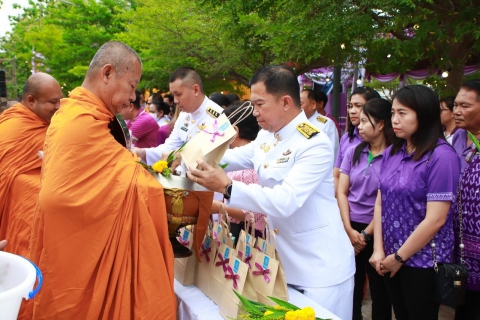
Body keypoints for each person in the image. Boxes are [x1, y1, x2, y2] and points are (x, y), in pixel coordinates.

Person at [187, 65, 355, 320]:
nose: (254, 113)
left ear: (285, 102)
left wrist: (228, 187)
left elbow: (285, 201)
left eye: (259, 104)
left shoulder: (315, 143)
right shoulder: (267, 138)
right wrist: (191, 157)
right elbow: (229, 157)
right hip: (283, 264)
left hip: (319, 269)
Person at [28, 41, 176, 319]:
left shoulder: (80, 114)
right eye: (132, 86)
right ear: (107, 73)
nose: (133, 97)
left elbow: (111, 169)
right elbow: (62, 197)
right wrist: (160, 187)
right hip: (76, 246)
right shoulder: (80, 119)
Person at [369, 85, 461, 320]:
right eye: (393, 113)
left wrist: (399, 257)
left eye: (403, 113)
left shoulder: (442, 156)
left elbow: (436, 219)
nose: (395, 120)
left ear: (424, 113)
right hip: (389, 257)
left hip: (422, 263)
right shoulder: (393, 151)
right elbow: (381, 202)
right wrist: (379, 249)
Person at [337, 98, 393, 320]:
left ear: (380, 124)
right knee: (351, 287)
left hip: (377, 230)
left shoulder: (394, 156)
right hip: (349, 226)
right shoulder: (353, 151)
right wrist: (349, 229)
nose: (358, 126)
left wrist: (364, 235)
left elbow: (385, 200)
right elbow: (342, 192)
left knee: (380, 292)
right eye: (357, 122)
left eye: (364, 122)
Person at [0, 72, 62, 259]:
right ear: (31, 101)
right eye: (53, 102)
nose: (59, 107)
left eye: (60, 101)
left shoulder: (44, 126)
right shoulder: (14, 126)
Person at [134, 67, 224, 166]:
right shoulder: (184, 115)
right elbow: (170, 146)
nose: (176, 101)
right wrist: (143, 153)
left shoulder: (218, 116)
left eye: (178, 94)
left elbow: (214, 158)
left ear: (195, 90)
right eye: (173, 96)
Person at [210, 101, 266, 243]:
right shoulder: (241, 159)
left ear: (234, 131)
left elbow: (254, 215)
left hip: (245, 239)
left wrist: (218, 207)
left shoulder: (248, 170)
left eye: (221, 130)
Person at [451, 79, 480, 320]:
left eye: (465, 106)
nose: (456, 111)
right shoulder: (458, 138)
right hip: (460, 242)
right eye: (455, 105)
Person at [334, 87, 381, 190]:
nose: (352, 111)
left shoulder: (384, 142)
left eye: (358, 106)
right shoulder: (346, 138)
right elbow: (336, 175)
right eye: (350, 106)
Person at [300, 89, 339, 161]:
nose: (298, 107)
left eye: (301, 104)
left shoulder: (327, 124)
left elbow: (332, 152)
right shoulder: (296, 122)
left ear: (313, 104)